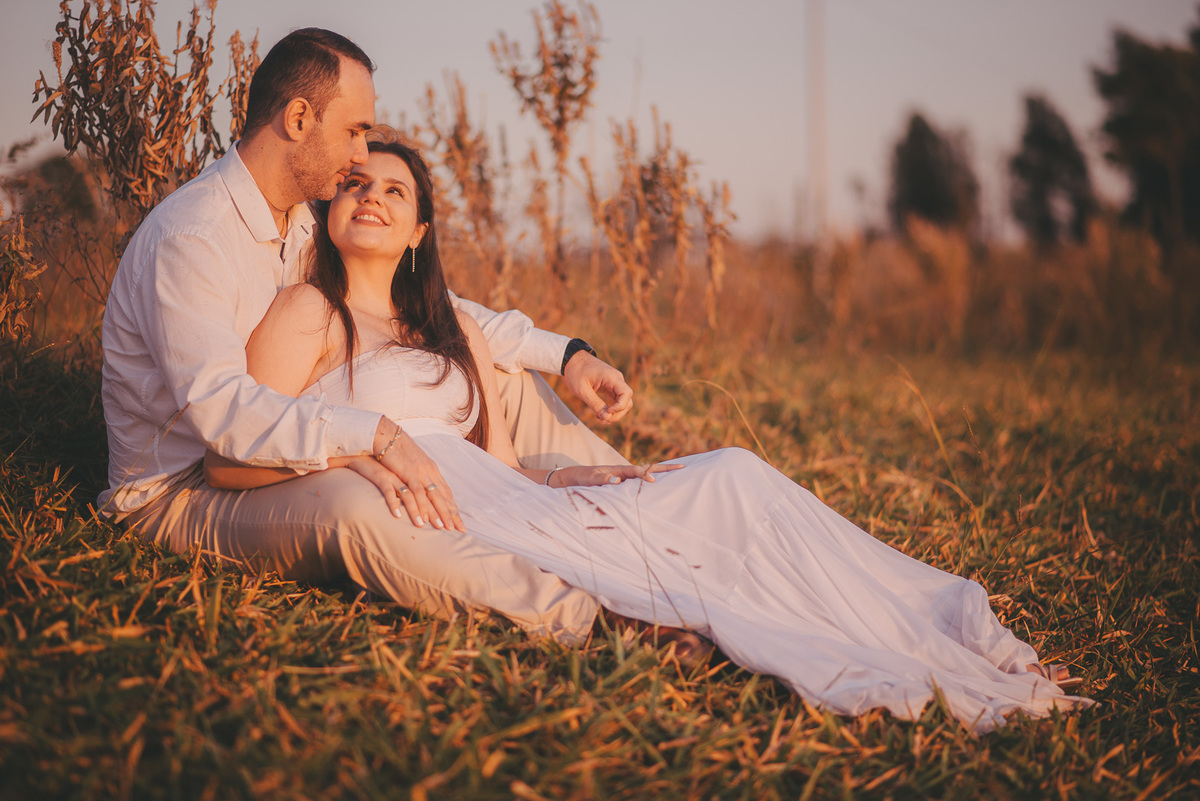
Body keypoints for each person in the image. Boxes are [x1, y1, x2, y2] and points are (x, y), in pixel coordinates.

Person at [206, 132, 1092, 734]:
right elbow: (238, 456)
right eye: (356, 183)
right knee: (683, 556)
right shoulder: (307, 314)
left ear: (419, 230)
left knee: (733, 472)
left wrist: (565, 480)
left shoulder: (453, 328)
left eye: (394, 190)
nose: (372, 197)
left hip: (513, 498)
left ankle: (928, 616)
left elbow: (502, 463)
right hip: (449, 515)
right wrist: (366, 448)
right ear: (329, 209)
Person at [99, 29, 634, 644]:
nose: (360, 155)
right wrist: (372, 439)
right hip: (187, 487)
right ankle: (587, 617)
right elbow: (225, 420)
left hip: (272, 442)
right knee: (356, 508)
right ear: (299, 118)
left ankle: (634, 522)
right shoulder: (194, 240)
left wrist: (566, 355)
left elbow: (435, 312)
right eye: (354, 130)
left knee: (493, 373)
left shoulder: (300, 219)